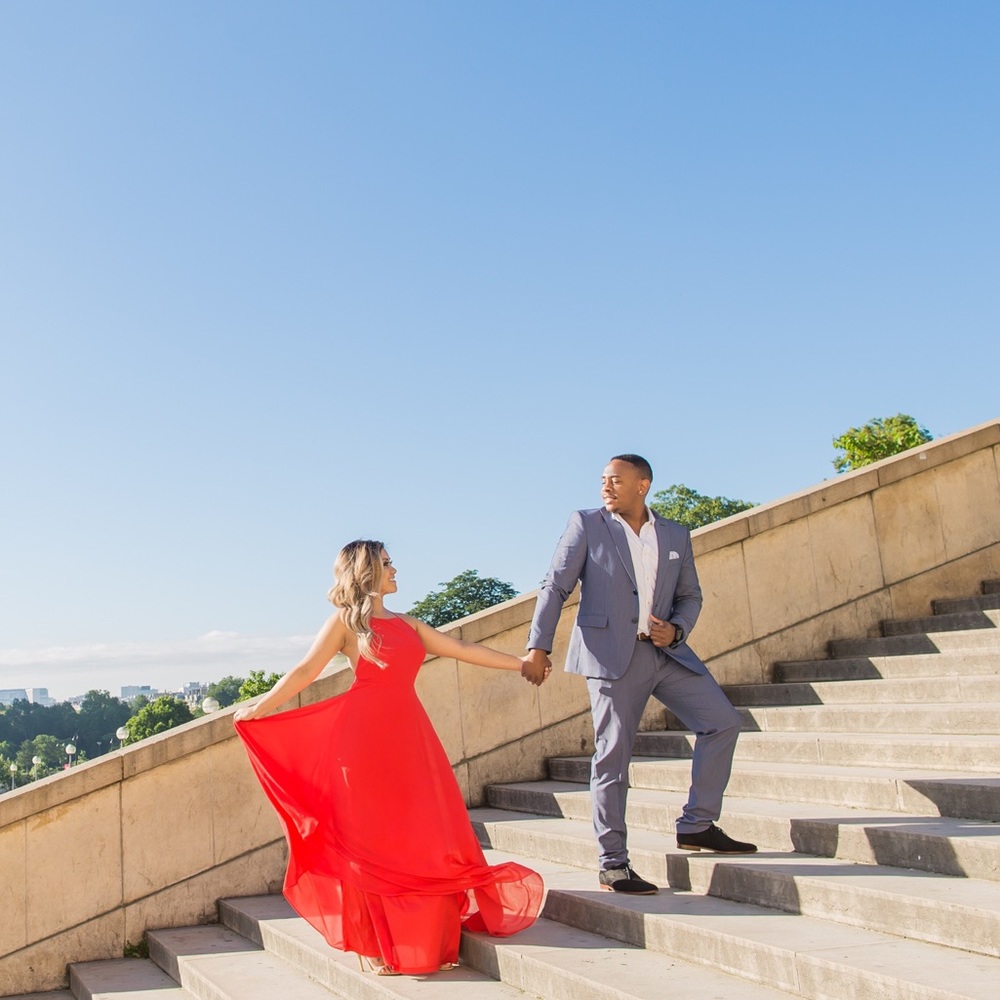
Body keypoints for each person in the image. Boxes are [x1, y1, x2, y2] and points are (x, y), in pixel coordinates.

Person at [234, 539, 545, 976]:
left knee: (421, 832)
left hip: (411, 740)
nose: (394, 568)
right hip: (361, 744)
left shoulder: (410, 625)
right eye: (386, 562)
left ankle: (424, 934)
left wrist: (521, 664)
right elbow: (306, 671)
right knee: (371, 842)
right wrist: (258, 708)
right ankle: (374, 943)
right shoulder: (345, 623)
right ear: (366, 571)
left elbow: (463, 650)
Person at [523, 454, 756, 896]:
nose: (605, 487)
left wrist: (679, 628)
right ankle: (613, 864)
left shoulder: (674, 534)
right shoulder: (587, 524)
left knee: (723, 722)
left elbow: (691, 595)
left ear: (642, 485)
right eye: (603, 480)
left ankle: (697, 824)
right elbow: (555, 585)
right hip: (611, 657)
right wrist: (538, 646)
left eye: (615, 480)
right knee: (613, 757)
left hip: (666, 655)